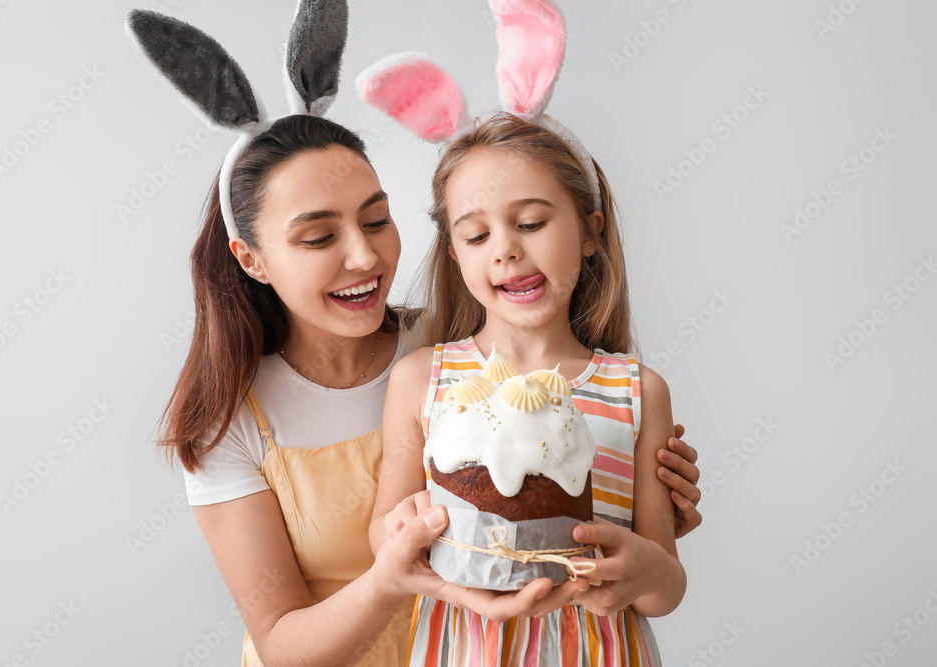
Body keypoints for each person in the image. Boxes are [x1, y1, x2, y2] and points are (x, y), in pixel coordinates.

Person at [132, 7, 703, 667]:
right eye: (319, 237)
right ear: (250, 257)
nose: (363, 257)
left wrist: (649, 524)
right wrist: (398, 558)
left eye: (377, 219)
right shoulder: (386, 385)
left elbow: (651, 555)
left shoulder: (449, 348)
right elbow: (287, 638)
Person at [370, 107, 689, 663]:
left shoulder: (637, 392)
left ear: (592, 231)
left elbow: (666, 588)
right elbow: (383, 530)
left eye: (532, 223)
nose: (505, 249)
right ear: (456, 255)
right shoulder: (424, 380)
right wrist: (401, 528)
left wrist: (645, 571)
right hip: (463, 647)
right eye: (475, 235)